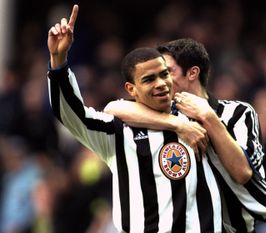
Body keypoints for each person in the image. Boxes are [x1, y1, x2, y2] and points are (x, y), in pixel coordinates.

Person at [47, 5, 235, 232]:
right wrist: (59, 61)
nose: (161, 84)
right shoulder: (117, 133)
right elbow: (73, 115)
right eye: (148, 79)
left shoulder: (198, 115)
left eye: (165, 74)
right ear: (131, 89)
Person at [104, 38, 266, 233]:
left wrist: (207, 116)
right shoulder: (164, 117)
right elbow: (114, 107)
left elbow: (243, 173)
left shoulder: (239, 113)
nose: (161, 81)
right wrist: (178, 125)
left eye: (167, 72)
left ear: (192, 73)